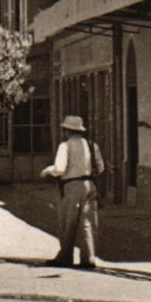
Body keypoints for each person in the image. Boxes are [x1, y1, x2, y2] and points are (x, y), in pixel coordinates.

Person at [42, 114, 104, 269]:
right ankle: (88, 257)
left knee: (68, 222)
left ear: (66, 130)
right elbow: (101, 167)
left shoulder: (65, 146)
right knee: (88, 223)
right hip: (89, 185)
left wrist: (48, 171)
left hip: (71, 185)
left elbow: (60, 168)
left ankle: (65, 256)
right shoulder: (92, 145)